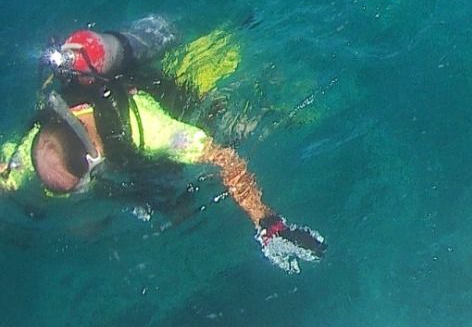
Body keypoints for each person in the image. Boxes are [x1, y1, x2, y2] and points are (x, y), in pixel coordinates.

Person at [1, 16, 326, 273]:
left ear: (93, 157)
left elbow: (224, 158)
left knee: (300, 111)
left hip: (197, 82)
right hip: (155, 82)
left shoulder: (149, 129)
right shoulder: (36, 146)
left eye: (76, 187)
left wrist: (267, 223)